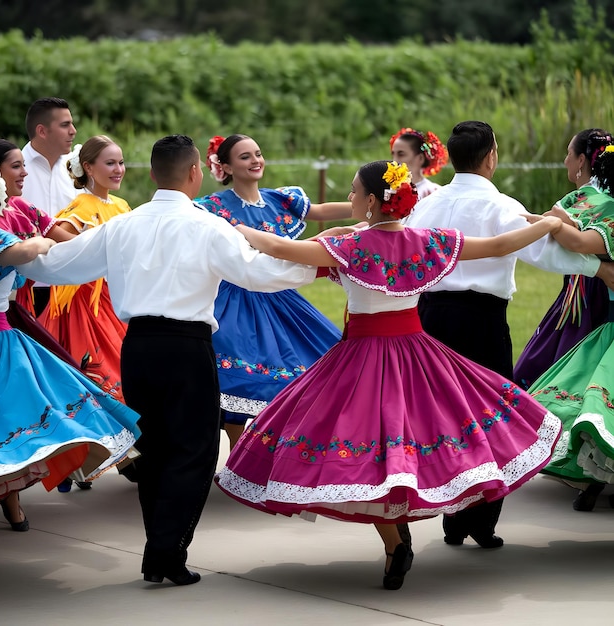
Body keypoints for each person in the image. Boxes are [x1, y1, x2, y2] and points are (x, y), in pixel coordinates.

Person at [215, 159, 563, 591]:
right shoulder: (425, 241)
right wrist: (546, 223)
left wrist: (229, 228)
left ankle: (394, 541)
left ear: (373, 202)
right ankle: (397, 538)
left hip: (361, 360)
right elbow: (498, 246)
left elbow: (281, 249)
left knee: (370, 456)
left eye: (354, 192)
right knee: (408, 451)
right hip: (418, 357)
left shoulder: (351, 248)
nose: (349, 198)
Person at [17, 134, 323, 586]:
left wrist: (11, 250)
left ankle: (161, 549)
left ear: (153, 174)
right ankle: (165, 551)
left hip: (137, 346)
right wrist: (323, 261)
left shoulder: (124, 224)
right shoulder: (205, 225)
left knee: (157, 451)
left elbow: (57, 266)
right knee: (194, 451)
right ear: (195, 172)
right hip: (186, 345)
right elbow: (257, 273)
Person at [406, 120, 612, 550]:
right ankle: (479, 518)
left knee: (439, 416)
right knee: (486, 417)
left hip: (428, 318)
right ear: (491, 158)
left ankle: (451, 514)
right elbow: (546, 252)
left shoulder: (426, 205)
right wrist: (603, 269)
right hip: (480, 319)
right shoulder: (500, 206)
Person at [0, 167, 141, 531]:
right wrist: (40, 241)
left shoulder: (7, 221)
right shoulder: (1, 233)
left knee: (13, 421)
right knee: (9, 424)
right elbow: (26, 250)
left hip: (3, 338)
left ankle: (12, 500)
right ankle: (11, 501)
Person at [196, 134, 350, 448]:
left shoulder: (280, 200)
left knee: (310, 367)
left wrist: (373, 205)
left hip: (280, 299)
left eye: (258, 153)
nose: (255, 161)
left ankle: (273, 450)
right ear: (224, 166)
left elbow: (319, 211)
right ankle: (239, 453)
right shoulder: (213, 207)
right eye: (244, 157)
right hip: (235, 300)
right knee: (240, 376)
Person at [514, 130, 612, 512]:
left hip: (590, 293)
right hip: (588, 290)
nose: (566, 162)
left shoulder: (591, 199)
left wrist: (552, 222)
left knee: (582, 367)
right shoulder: (601, 199)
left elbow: (576, 242)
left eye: (569, 154)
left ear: (584, 160)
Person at [0, 138, 78, 367]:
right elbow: (23, 252)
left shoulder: (19, 207)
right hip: (11, 310)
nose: (25, 173)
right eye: (16, 166)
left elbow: (68, 242)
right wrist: (43, 243)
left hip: (13, 308)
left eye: (24, 165)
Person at [21, 97, 82, 316]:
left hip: (70, 287)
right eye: (65, 125)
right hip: (24, 288)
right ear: (42, 131)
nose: (73, 131)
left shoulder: (74, 173)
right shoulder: (13, 171)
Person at [390, 127, 448, 199]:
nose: (394, 161)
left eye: (401, 154)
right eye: (393, 154)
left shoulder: (435, 193)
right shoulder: (388, 193)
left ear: (420, 158)